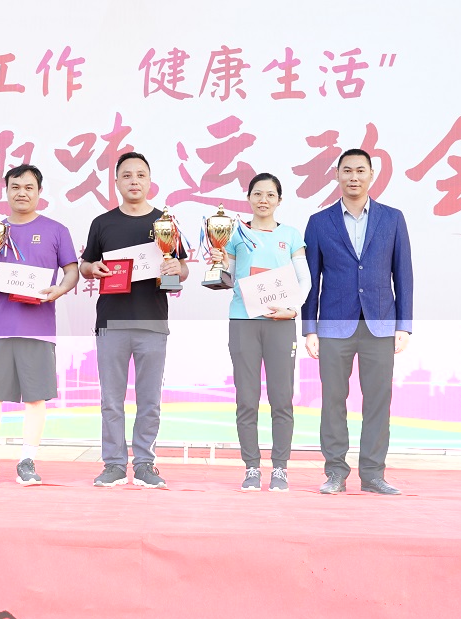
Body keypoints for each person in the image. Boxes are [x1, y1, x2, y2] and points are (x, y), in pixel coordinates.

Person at [302, 148, 413, 495]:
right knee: (333, 401)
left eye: (360, 170)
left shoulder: (392, 219)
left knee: (378, 401)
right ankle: (335, 472)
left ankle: (373, 474)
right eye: (347, 170)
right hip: (334, 324)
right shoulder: (319, 222)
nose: (354, 177)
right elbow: (310, 280)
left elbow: (403, 274)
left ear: (371, 175)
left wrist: (404, 324)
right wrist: (309, 328)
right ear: (337, 175)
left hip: (380, 323)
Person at [80, 152, 188, 488]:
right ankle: (113, 464)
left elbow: (182, 268)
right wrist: (93, 269)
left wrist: (176, 268)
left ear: (150, 180)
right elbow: (85, 265)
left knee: (150, 402)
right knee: (111, 401)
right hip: (111, 322)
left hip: (152, 322)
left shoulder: (165, 223)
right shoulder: (103, 223)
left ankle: (144, 464)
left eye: (140, 175)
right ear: (116, 182)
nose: (134, 181)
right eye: (127, 175)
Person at [0, 164, 79, 485]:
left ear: (39, 192)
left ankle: (27, 460)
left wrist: (59, 290)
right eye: (15, 187)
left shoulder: (56, 230)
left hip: (38, 327)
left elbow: (71, 271)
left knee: (35, 397)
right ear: (6, 191)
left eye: (29, 187)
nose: (22, 193)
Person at [209, 173, 311, 492]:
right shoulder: (235, 233)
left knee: (281, 399)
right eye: (257, 193)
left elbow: (305, 280)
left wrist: (292, 309)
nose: (263, 199)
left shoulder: (290, 235)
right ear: (249, 197)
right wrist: (219, 262)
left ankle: (280, 468)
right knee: (247, 399)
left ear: (279, 200)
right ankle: (251, 466)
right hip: (244, 321)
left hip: (281, 323)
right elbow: (226, 279)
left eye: (270, 194)